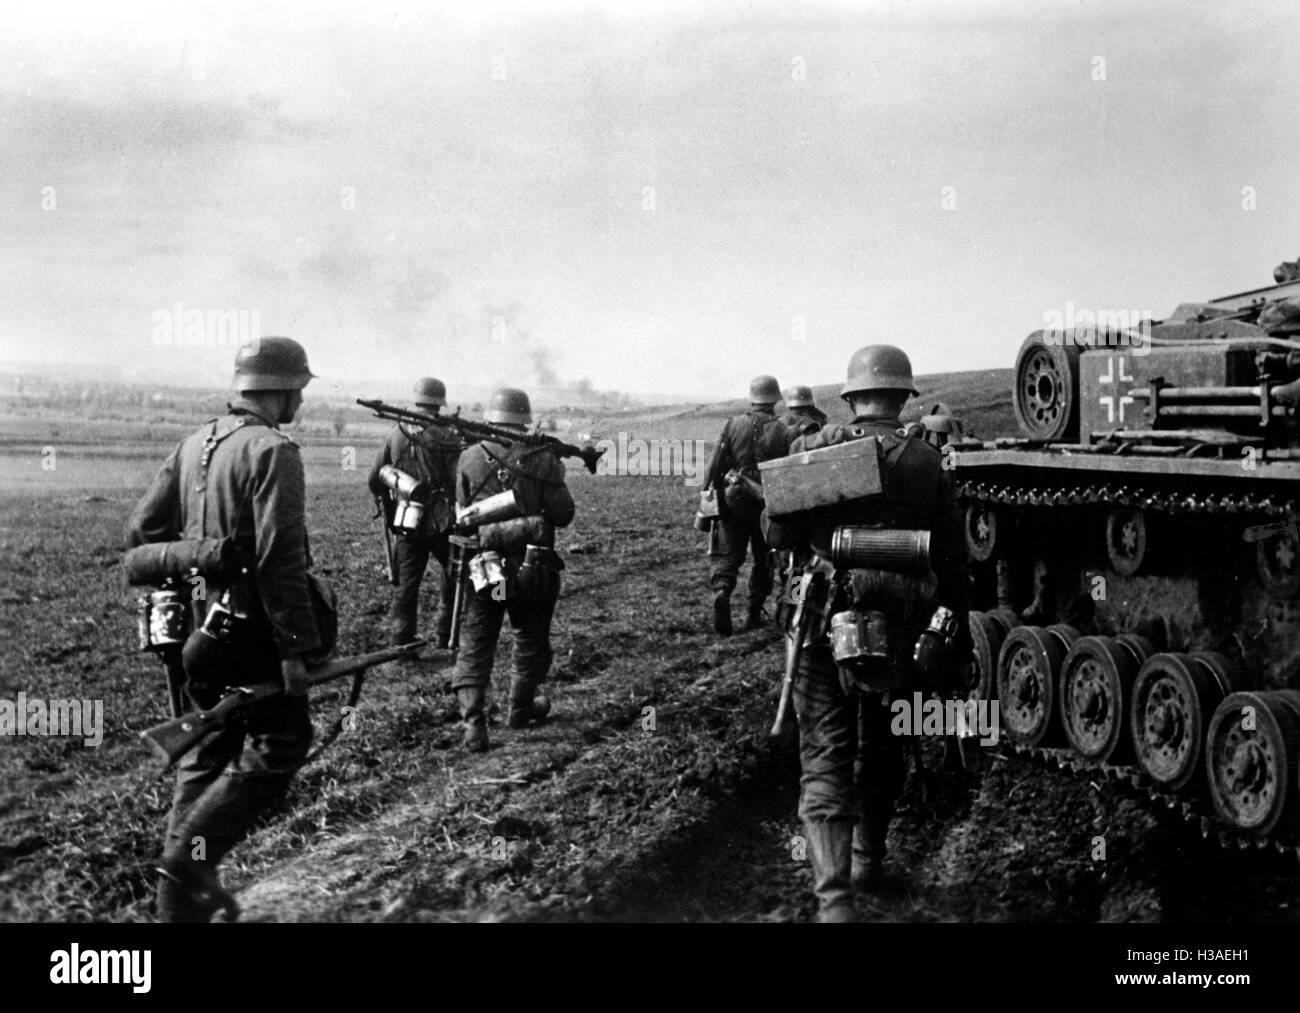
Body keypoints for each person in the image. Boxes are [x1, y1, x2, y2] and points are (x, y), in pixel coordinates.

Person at [762, 344, 971, 922]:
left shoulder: (811, 449)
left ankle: (834, 904)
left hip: (821, 621)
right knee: (882, 742)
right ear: (904, 397)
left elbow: (776, 535)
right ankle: (869, 861)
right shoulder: (929, 462)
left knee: (825, 753)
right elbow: (955, 564)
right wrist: (950, 632)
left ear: (851, 397)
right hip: (899, 626)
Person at [126, 336, 323, 922]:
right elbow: (279, 558)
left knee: (205, 758)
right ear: (282, 390)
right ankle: (188, 863)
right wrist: (295, 650)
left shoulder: (195, 445)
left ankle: (174, 913)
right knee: (281, 745)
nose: (301, 403)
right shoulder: (273, 452)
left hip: (197, 636)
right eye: (299, 392)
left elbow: (142, 535)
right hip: (251, 636)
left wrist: (197, 563)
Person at [450, 387, 575, 751]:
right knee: (529, 636)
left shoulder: (469, 457)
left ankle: (474, 726)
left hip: (489, 573)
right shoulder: (543, 459)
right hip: (531, 569)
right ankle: (520, 709)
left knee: (476, 642)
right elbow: (563, 514)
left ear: (489, 420)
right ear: (525, 421)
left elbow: (463, 514)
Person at [367, 377, 462, 648]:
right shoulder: (446, 435)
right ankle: (446, 637)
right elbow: (458, 481)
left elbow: (375, 479)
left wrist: (388, 504)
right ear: (439, 404)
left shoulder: (396, 432)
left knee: (406, 587)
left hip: (407, 520)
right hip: (443, 522)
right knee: (453, 577)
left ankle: (402, 644)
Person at [702, 375, 790, 635]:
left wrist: (707, 492)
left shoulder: (732, 424)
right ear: (774, 400)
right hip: (766, 502)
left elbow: (715, 463)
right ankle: (753, 613)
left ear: (752, 398)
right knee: (764, 558)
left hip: (734, 498)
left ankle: (723, 591)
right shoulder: (783, 430)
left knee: (728, 554)